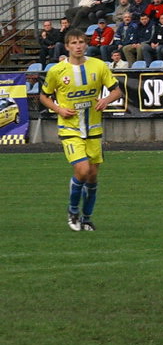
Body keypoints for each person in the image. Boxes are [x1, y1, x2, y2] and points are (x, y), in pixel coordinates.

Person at [39, 28, 122, 231]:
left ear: (86, 45)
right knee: (82, 170)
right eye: (74, 43)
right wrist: (58, 108)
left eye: (81, 42)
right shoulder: (57, 71)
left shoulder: (99, 66)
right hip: (70, 129)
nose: (78, 46)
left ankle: (87, 218)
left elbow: (117, 91)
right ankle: (73, 210)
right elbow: (43, 96)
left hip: (93, 129)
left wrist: (106, 100)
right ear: (67, 46)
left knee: (92, 177)